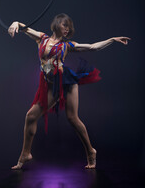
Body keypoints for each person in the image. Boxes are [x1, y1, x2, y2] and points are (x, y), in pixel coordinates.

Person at [8, 13, 131, 169]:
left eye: (69, 27)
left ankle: (91, 151)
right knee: (31, 116)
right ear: (57, 24)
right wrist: (15, 23)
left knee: (72, 118)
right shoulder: (42, 38)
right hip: (50, 85)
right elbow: (23, 28)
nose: (67, 29)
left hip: (66, 82)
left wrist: (112, 40)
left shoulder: (68, 45)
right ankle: (26, 154)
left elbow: (92, 47)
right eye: (64, 25)